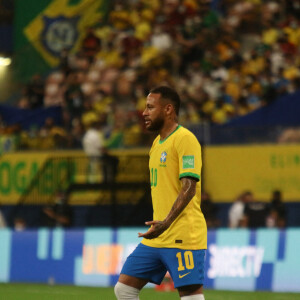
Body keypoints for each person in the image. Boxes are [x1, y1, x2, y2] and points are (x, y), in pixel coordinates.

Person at [115, 86, 207, 300]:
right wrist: (162, 226)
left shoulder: (185, 139)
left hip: (183, 234)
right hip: (157, 235)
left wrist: (166, 222)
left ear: (168, 109)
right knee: (124, 289)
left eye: (150, 107)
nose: (144, 113)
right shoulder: (156, 144)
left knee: (190, 296)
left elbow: (189, 187)